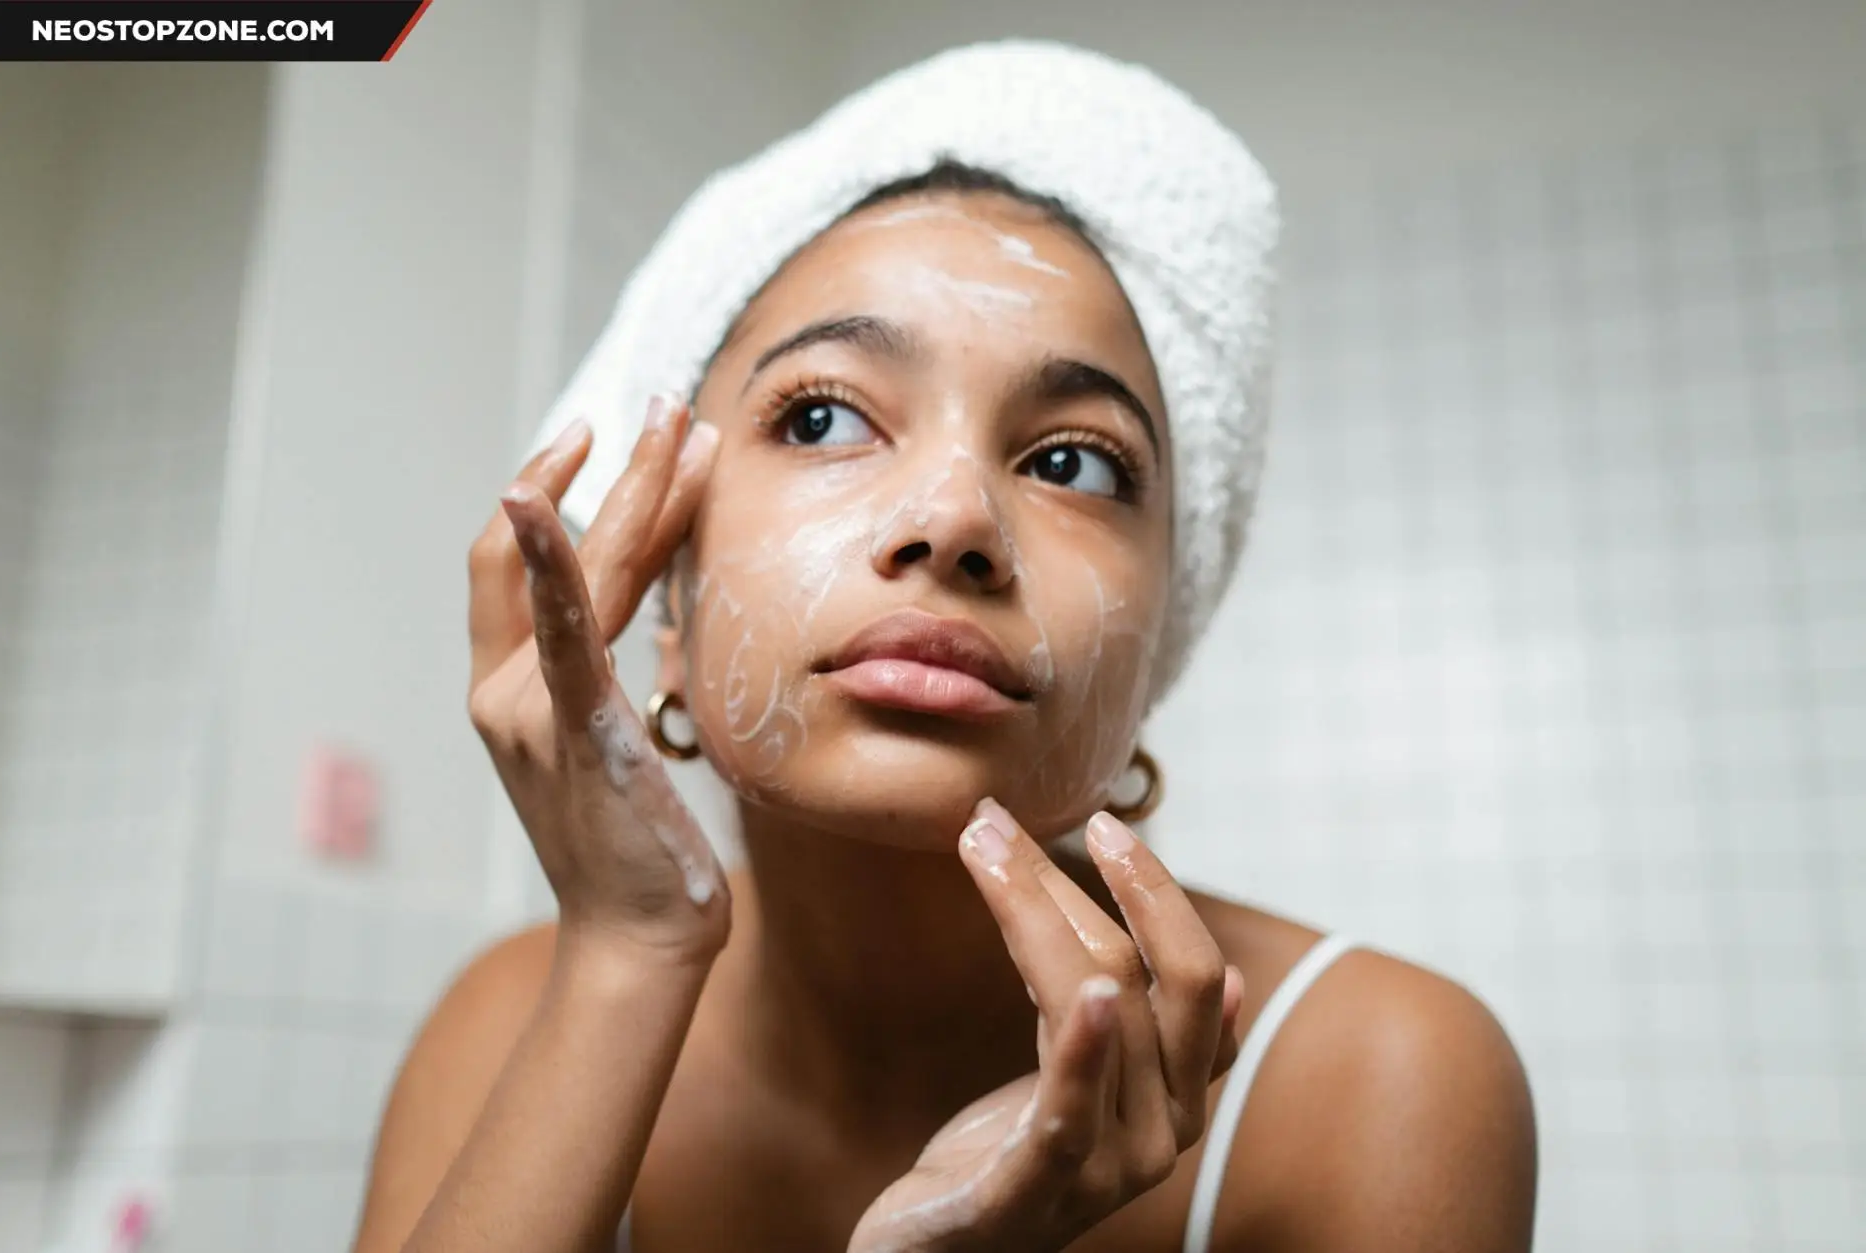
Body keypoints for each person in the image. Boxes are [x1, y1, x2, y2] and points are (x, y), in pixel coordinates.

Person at [353, 40, 1536, 1253]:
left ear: (1157, 649)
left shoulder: (1374, 1080)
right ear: (664, 590)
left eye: (1072, 460)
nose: (956, 517)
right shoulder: (508, 1024)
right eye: (822, 417)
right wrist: (625, 952)